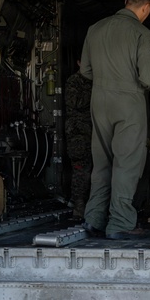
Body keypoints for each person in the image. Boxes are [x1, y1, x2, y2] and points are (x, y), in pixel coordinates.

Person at [80, 0, 150, 240]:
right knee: (127, 162)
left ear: (126, 1)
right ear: (146, 7)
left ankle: (94, 218)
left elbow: (85, 71)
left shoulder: (95, 29)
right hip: (128, 101)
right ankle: (121, 221)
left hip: (100, 99)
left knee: (102, 162)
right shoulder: (141, 33)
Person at [64, 60, 93, 218]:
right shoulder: (74, 81)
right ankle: (79, 206)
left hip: (92, 131)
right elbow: (74, 102)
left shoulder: (95, 81)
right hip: (78, 132)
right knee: (81, 169)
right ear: (79, 63)